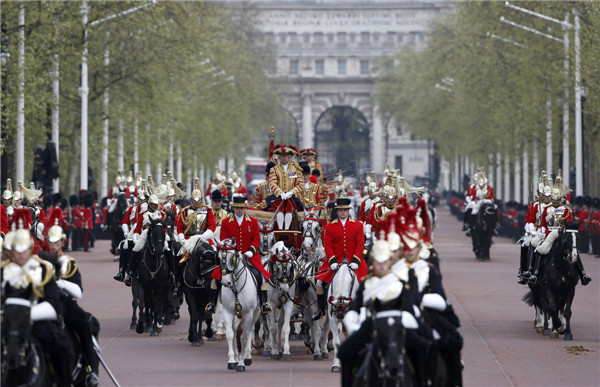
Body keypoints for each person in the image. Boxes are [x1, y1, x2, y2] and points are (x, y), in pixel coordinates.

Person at [2, 209, 74, 387]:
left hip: (37, 322)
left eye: (24, 248)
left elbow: (53, 305)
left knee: (62, 349)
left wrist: (25, 314)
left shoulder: (43, 269)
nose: (20, 254)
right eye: (16, 249)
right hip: (6, 323)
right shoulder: (3, 271)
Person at [42, 223, 99, 387]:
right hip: (47, 303)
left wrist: (61, 284)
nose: (53, 245)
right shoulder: (42, 260)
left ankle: (91, 370)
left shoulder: (68, 262)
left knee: (84, 323)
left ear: (62, 242)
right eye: (51, 242)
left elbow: (78, 292)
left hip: (64, 303)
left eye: (56, 242)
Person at [205, 196, 272, 315]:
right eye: (237, 208)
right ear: (233, 208)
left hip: (249, 255)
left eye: (241, 208)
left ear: (245, 208)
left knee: (261, 276)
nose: (239, 210)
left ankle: (263, 303)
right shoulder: (226, 222)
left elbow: (256, 238)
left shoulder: (253, 221)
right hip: (231, 255)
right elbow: (223, 239)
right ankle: (212, 303)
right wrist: (232, 250)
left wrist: (251, 250)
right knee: (215, 277)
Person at [312, 194, 367, 320]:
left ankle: (363, 309)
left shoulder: (358, 225)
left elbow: (360, 244)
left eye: (345, 210)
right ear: (337, 211)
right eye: (340, 210)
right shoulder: (330, 226)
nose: (343, 212)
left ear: (348, 211)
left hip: (353, 260)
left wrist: (355, 261)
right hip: (335, 260)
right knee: (319, 282)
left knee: (366, 283)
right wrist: (332, 261)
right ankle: (321, 309)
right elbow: (328, 245)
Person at [534, 180, 591, 286]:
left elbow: (569, 223)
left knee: (574, 251)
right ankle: (535, 272)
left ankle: (583, 274)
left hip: (562, 233)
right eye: (553, 199)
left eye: (557, 199)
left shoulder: (566, 210)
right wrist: (542, 232)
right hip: (548, 233)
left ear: (560, 199)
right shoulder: (546, 209)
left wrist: (563, 230)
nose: (555, 201)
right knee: (541, 249)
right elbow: (543, 224)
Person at [267, 144, 305, 230]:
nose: (284, 157)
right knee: (279, 208)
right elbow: (272, 183)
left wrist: (291, 192)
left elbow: (300, 184)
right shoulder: (274, 169)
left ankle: (287, 228)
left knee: (289, 207)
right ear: (279, 157)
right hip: (278, 197)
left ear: (289, 157)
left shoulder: (296, 169)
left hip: (292, 197)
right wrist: (280, 193)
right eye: (282, 155)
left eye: (286, 155)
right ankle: (280, 228)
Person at [462, 171, 495, 236]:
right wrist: (474, 201)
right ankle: (470, 226)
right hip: (477, 203)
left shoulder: (488, 187)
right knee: (473, 212)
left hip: (486, 202)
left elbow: (491, 196)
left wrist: (488, 201)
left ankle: (495, 226)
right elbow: (473, 197)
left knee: (494, 211)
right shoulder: (474, 188)